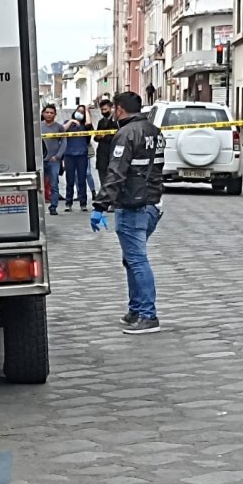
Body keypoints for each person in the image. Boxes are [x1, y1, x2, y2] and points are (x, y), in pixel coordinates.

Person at [91, 92, 165, 336]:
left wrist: (101, 205)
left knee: (136, 260)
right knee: (132, 259)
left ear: (119, 109)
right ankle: (135, 310)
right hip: (153, 203)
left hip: (133, 205)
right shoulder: (154, 131)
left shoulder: (126, 134)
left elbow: (116, 173)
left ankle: (147, 315)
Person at [62, 105, 94, 212]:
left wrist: (87, 110)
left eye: (82, 112)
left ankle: (83, 203)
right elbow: (62, 130)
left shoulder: (85, 125)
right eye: (78, 111)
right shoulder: (69, 122)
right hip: (69, 155)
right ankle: (68, 203)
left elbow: (89, 124)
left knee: (82, 180)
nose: (80, 113)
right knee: (69, 180)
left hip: (82, 155)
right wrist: (71, 121)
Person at [41, 105, 66, 216]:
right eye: (47, 112)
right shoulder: (38, 127)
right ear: (43, 113)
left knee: (54, 184)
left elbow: (64, 142)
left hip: (53, 161)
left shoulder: (59, 127)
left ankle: (53, 206)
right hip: (40, 160)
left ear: (55, 115)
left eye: (52, 113)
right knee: (39, 185)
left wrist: (58, 156)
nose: (49, 114)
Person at [94, 99, 119, 184]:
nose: (103, 111)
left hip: (113, 153)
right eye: (102, 110)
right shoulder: (101, 122)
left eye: (105, 109)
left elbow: (118, 136)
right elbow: (96, 137)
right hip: (102, 154)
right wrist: (98, 136)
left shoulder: (117, 122)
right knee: (102, 179)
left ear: (111, 108)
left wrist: (105, 136)